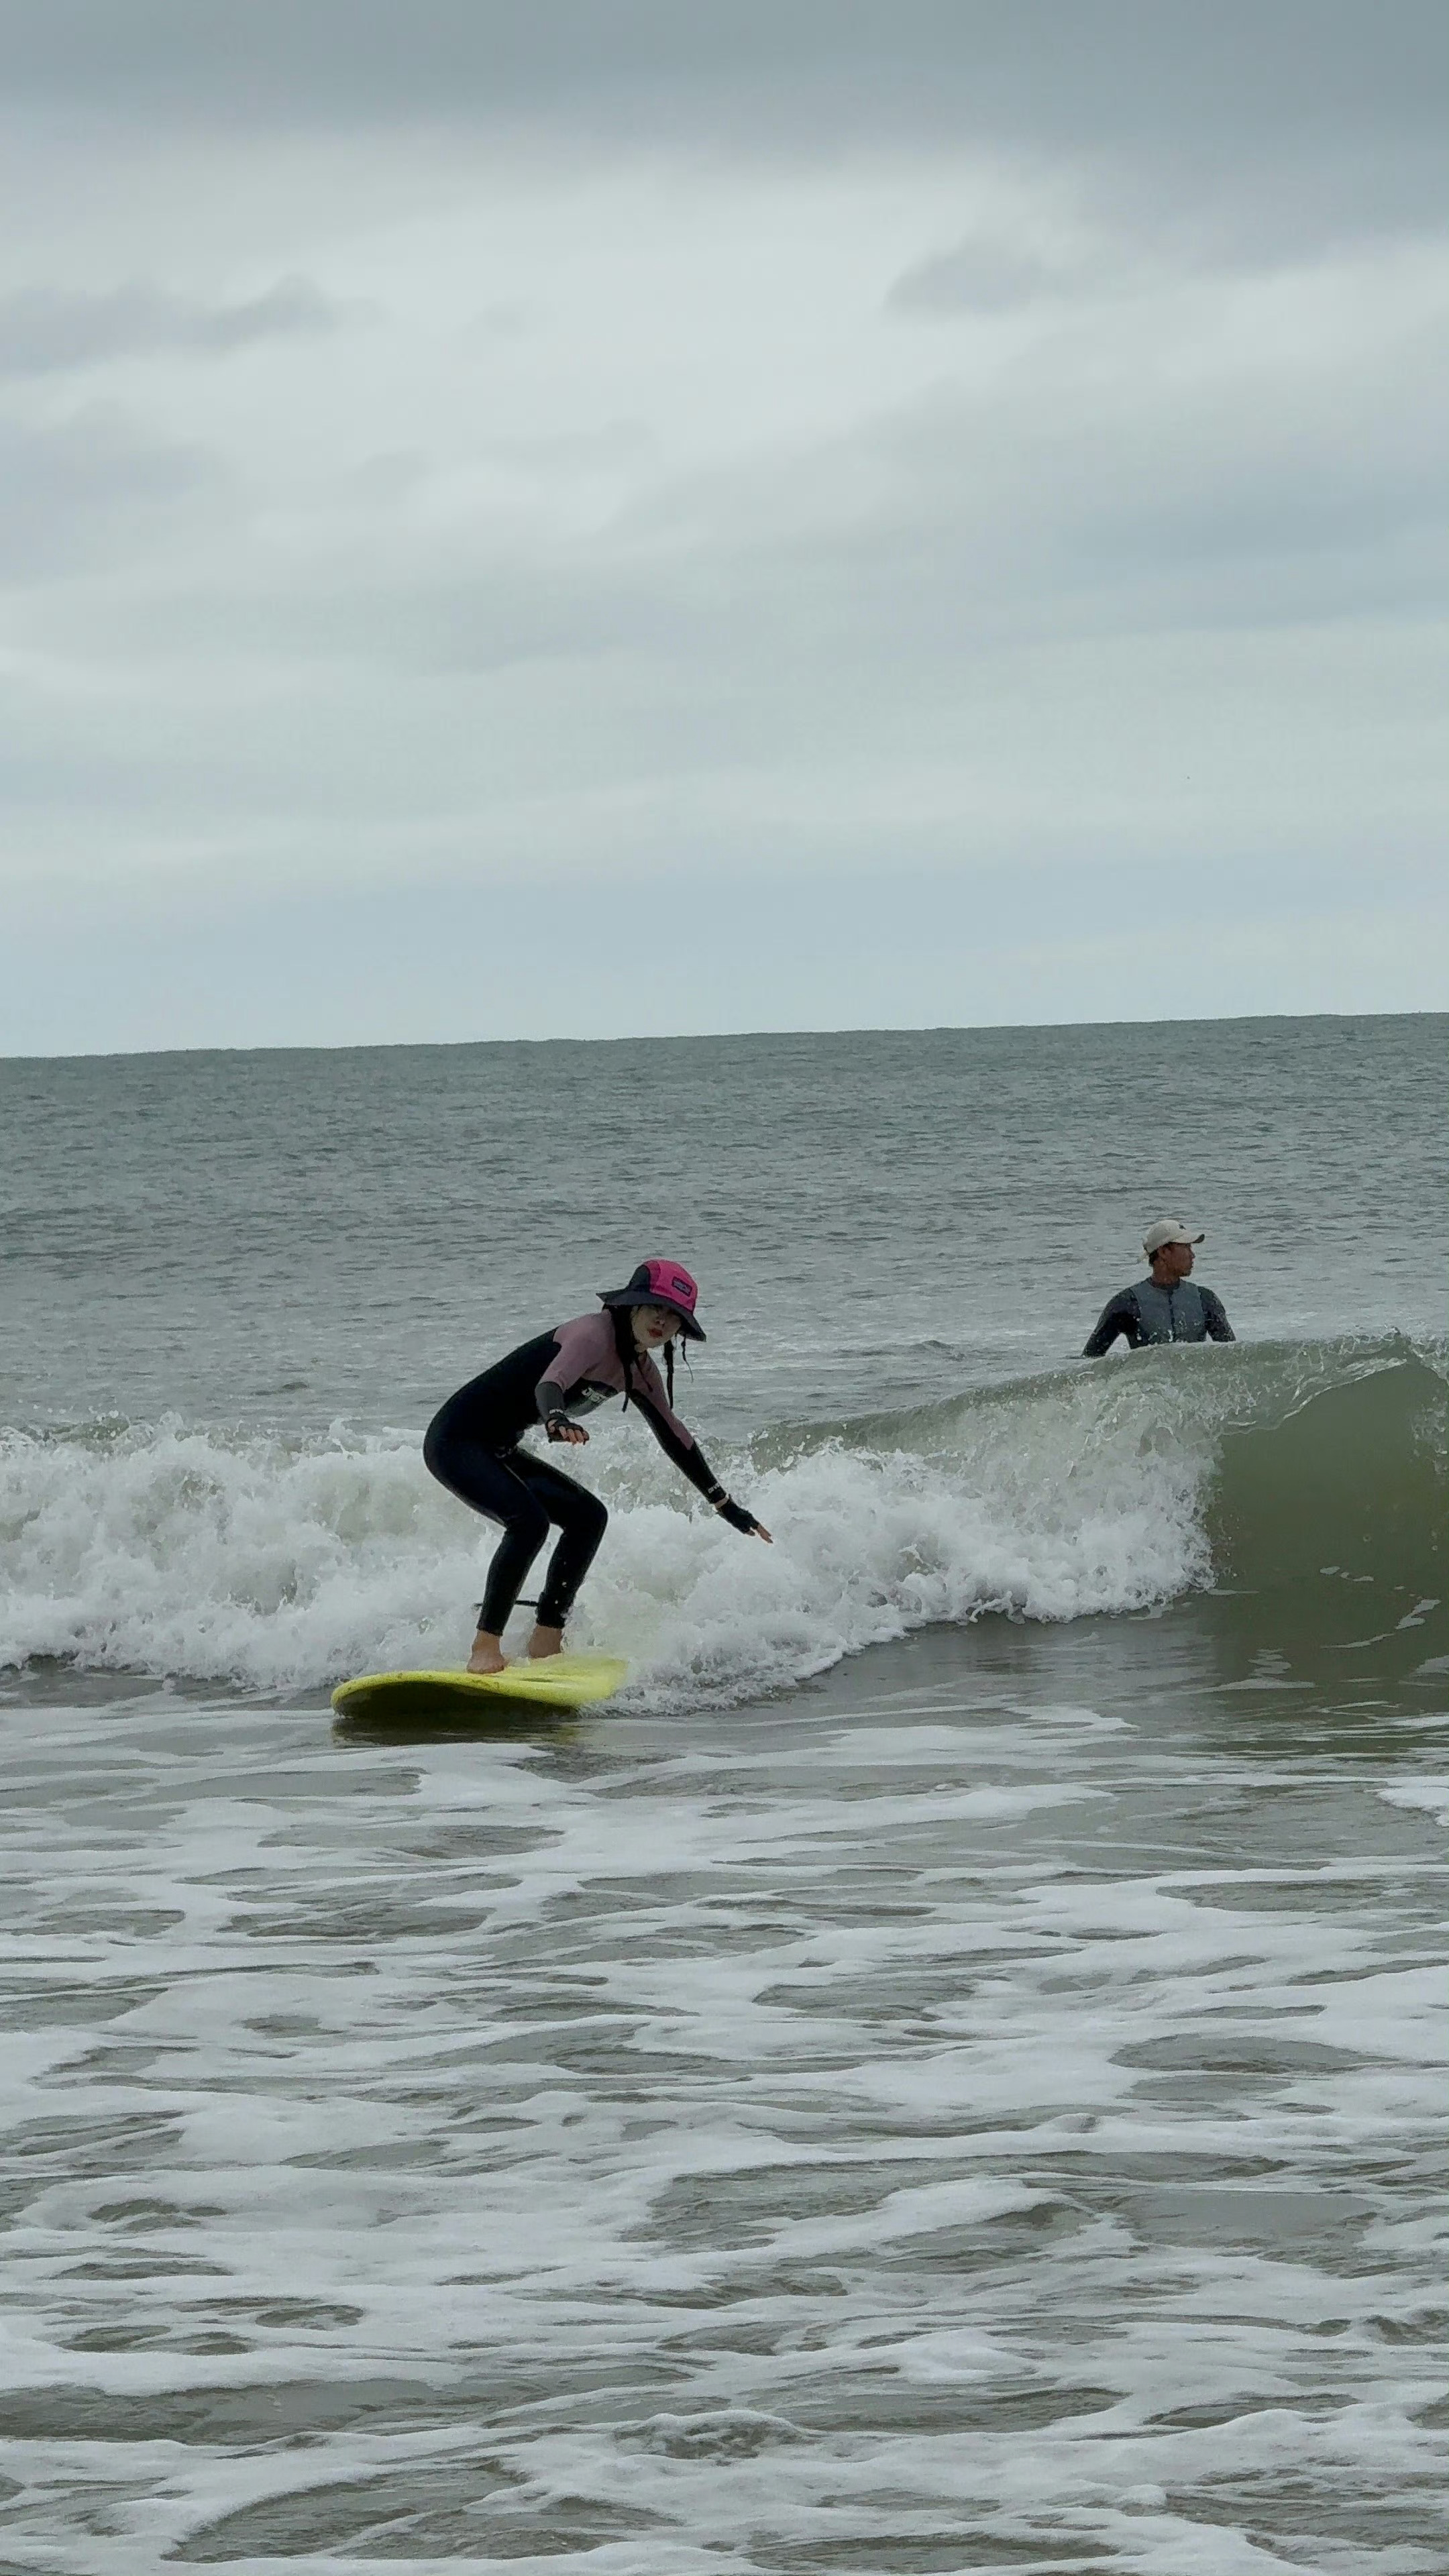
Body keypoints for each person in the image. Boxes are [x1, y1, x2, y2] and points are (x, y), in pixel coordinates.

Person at [423, 1259, 771, 1673]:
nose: (663, 1320)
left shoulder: (640, 1371)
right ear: (631, 1306)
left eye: (675, 1317)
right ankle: (485, 1649)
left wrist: (725, 1505)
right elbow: (550, 1382)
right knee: (529, 1522)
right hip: (456, 1440)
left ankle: (546, 1639)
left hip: (497, 1447)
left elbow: (676, 1439)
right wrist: (556, 1418)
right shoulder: (592, 1334)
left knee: (588, 1517)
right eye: (655, 1307)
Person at [1083, 1220, 1235, 1356]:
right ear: (1163, 1252)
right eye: (1186, 1247)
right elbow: (1090, 1359)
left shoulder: (1206, 1300)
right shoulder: (1127, 1303)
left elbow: (1233, 1357)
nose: (1192, 1255)